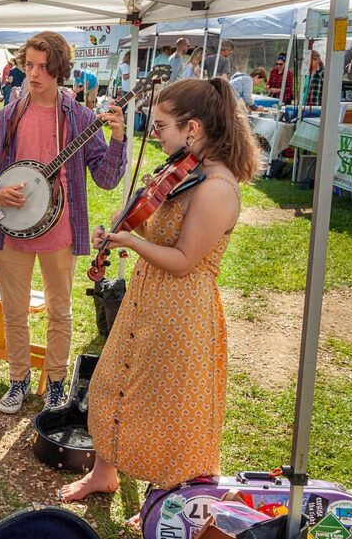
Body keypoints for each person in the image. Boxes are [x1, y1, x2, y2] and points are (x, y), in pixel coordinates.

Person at [57, 76, 258, 502]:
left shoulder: (217, 189)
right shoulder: (188, 172)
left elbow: (185, 261)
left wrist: (131, 241)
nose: (156, 134)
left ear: (193, 129)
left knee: (169, 407)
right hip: (146, 298)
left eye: (161, 125)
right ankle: (103, 473)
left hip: (182, 310)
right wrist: (126, 224)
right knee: (113, 383)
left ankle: (171, 498)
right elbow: (158, 230)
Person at [0, 31, 128, 413]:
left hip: (62, 231)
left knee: (59, 310)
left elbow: (105, 178)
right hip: (12, 231)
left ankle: (54, 382)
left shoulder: (81, 119)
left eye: (43, 67)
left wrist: (118, 137)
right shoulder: (8, 116)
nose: (33, 75)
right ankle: (18, 380)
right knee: (15, 311)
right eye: (28, 66)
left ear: (59, 70)